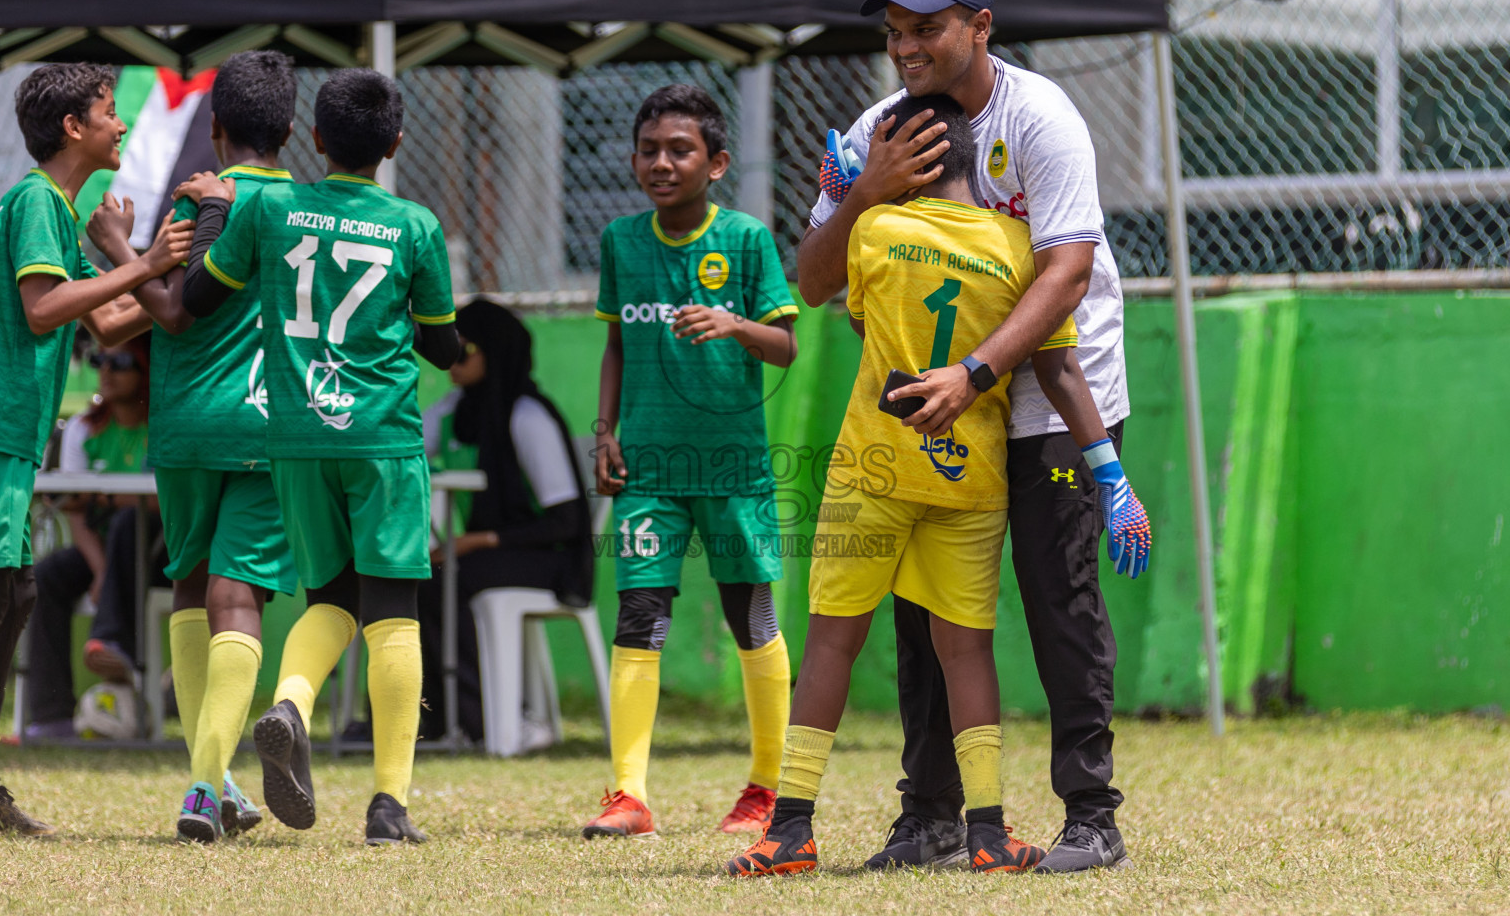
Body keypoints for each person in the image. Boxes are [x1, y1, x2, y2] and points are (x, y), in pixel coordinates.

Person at [794, 0, 1150, 873]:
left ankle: (1090, 816)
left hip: (1052, 392)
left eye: (926, 28)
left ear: (980, 26)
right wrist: (862, 192)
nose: (905, 47)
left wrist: (978, 374)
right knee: (924, 613)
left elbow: (1066, 269)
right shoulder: (884, 129)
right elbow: (815, 279)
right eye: (894, 32)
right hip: (933, 415)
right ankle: (932, 817)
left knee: (1059, 599)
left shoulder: (1040, 119)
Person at [727, 96, 1133, 877]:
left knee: (834, 642)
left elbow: (854, 317)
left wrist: (855, 197)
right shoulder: (1017, 246)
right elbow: (1058, 363)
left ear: (903, 163)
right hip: (969, 476)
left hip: (874, 466)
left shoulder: (875, 231)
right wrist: (1112, 476)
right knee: (966, 654)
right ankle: (987, 832)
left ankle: (790, 830)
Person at [181, 68, 460, 846]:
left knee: (330, 598)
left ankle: (292, 705)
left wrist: (211, 211)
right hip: (381, 438)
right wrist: (447, 339)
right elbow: (440, 342)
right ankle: (389, 806)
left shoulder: (273, 208)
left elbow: (200, 295)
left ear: (316, 139)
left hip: (296, 440)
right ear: (396, 143)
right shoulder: (414, 224)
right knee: (393, 611)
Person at [0, 62, 191, 834]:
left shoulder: (59, 211)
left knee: (17, 597)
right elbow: (43, 311)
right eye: (108, 110)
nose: (121, 123)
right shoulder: (37, 199)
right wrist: (143, 264)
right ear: (73, 127)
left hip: (9, 436)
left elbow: (101, 325)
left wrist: (140, 265)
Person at [580, 84, 797, 840]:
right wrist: (605, 430)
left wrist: (736, 323)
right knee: (640, 618)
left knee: (751, 619)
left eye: (680, 150)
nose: (661, 163)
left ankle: (766, 791)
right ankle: (629, 796)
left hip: (733, 471)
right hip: (648, 471)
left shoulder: (744, 240)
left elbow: (787, 346)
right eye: (649, 151)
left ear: (717, 163)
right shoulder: (620, 241)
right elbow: (614, 344)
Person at [113, 50, 303, 843]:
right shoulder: (318, 212)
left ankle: (214, 781)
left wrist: (119, 248)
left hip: (189, 420)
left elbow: (173, 309)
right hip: (274, 425)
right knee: (240, 600)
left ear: (215, 127)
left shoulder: (196, 206)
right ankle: (204, 783)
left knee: (191, 588)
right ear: (293, 132)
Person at [416, 298, 593, 745]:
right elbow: (409, 445)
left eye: (464, 349)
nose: (452, 360)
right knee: (419, 577)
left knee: (444, 579)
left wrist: (479, 540)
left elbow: (566, 521)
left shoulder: (527, 416)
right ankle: (433, 718)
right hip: (489, 553)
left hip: (548, 559)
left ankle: (493, 721)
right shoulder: (459, 409)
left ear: (494, 351)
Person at [25, 334, 154, 738]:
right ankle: (52, 716)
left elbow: (165, 504)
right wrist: (100, 571)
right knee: (45, 576)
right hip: (100, 546)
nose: (106, 371)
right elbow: (74, 508)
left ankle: (112, 640)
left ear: (144, 371)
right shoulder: (82, 427)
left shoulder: (163, 425)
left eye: (119, 363)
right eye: (99, 360)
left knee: (127, 524)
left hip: (160, 552)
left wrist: (112, 500)